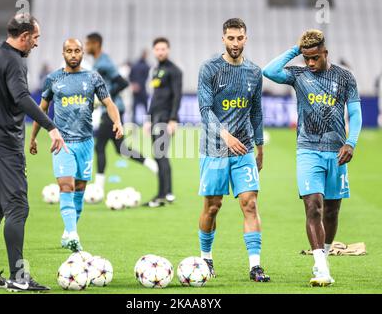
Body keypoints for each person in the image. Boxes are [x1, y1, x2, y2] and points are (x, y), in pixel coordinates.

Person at [0, 13, 66, 292]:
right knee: (17, 208)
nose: (36, 43)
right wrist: (51, 127)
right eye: (35, 38)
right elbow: (22, 98)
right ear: (24, 37)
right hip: (4, 146)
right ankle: (18, 277)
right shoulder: (14, 62)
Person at [263, 29, 362, 286]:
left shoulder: (344, 77)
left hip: (337, 152)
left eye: (314, 58)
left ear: (325, 53)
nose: (310, 63)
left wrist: (351, 142)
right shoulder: (299, 74)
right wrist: (297, 49)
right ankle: (320, 266)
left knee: (332, 210)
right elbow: (269, 70)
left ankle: (324, 255)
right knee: (313, 206)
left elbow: (356, 113)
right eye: (306, 58)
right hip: (307, 150)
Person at [29, 38, 123, 252]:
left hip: (86, 143)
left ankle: (69, 230)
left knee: (80, 188)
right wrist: (33, 137)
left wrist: (117, 122)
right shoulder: (53, 78)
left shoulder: (93, 77)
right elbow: (40, 109)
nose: (73, 54)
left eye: (77, 50)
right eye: (69, 51)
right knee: (66, 186)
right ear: (63, 53)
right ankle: (72, 234)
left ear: (82, 53)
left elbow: (109, 103)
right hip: (62, 142)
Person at [196, 18, 270, 282]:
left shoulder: (254, 72)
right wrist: (224, 134)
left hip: (245, 150)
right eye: (231, 38)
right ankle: (206, 259)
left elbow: (257, 112)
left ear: (246, 39)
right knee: (213, 207)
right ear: (223, 39)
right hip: (214, 149)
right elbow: (205, 110)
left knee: (249, 204)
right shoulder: (210, 69)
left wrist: (259, 147)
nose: (235, 43)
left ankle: (255, 265)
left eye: (240, 38)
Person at [85, 33, 157, 191]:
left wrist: (106, 98)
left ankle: (98, 187)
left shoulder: (104, 63)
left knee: (100, 146)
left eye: (88, 43)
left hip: (112, 111)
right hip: (113, 109)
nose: (86, 47)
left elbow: (123, 82)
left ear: (96, 44)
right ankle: (151, 164)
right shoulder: (99, 62)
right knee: (121, 149)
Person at [143, 37, 182, 207]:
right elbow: (155, 97)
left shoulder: (175, 71)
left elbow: (177, 96)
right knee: (158, 155)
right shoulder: (155, 70)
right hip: (155, 118)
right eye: (157, 49)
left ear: (168, 50)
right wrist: (148, 119)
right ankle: (164, 193)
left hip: (166, 119)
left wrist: (173, 119)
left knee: (161, 154)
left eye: (163, 49)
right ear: (153, 51)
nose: (160, 52)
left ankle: (166, 193)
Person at [129, 50, 150, 124]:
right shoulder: (146, 66)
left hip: (135, 90)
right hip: (142, 89)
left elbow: (130, 76)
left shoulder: (134, 65)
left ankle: (134, 121)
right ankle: (147, 121)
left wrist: (134, 84)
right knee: (146, 107)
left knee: (134, 107)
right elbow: (146, 78)